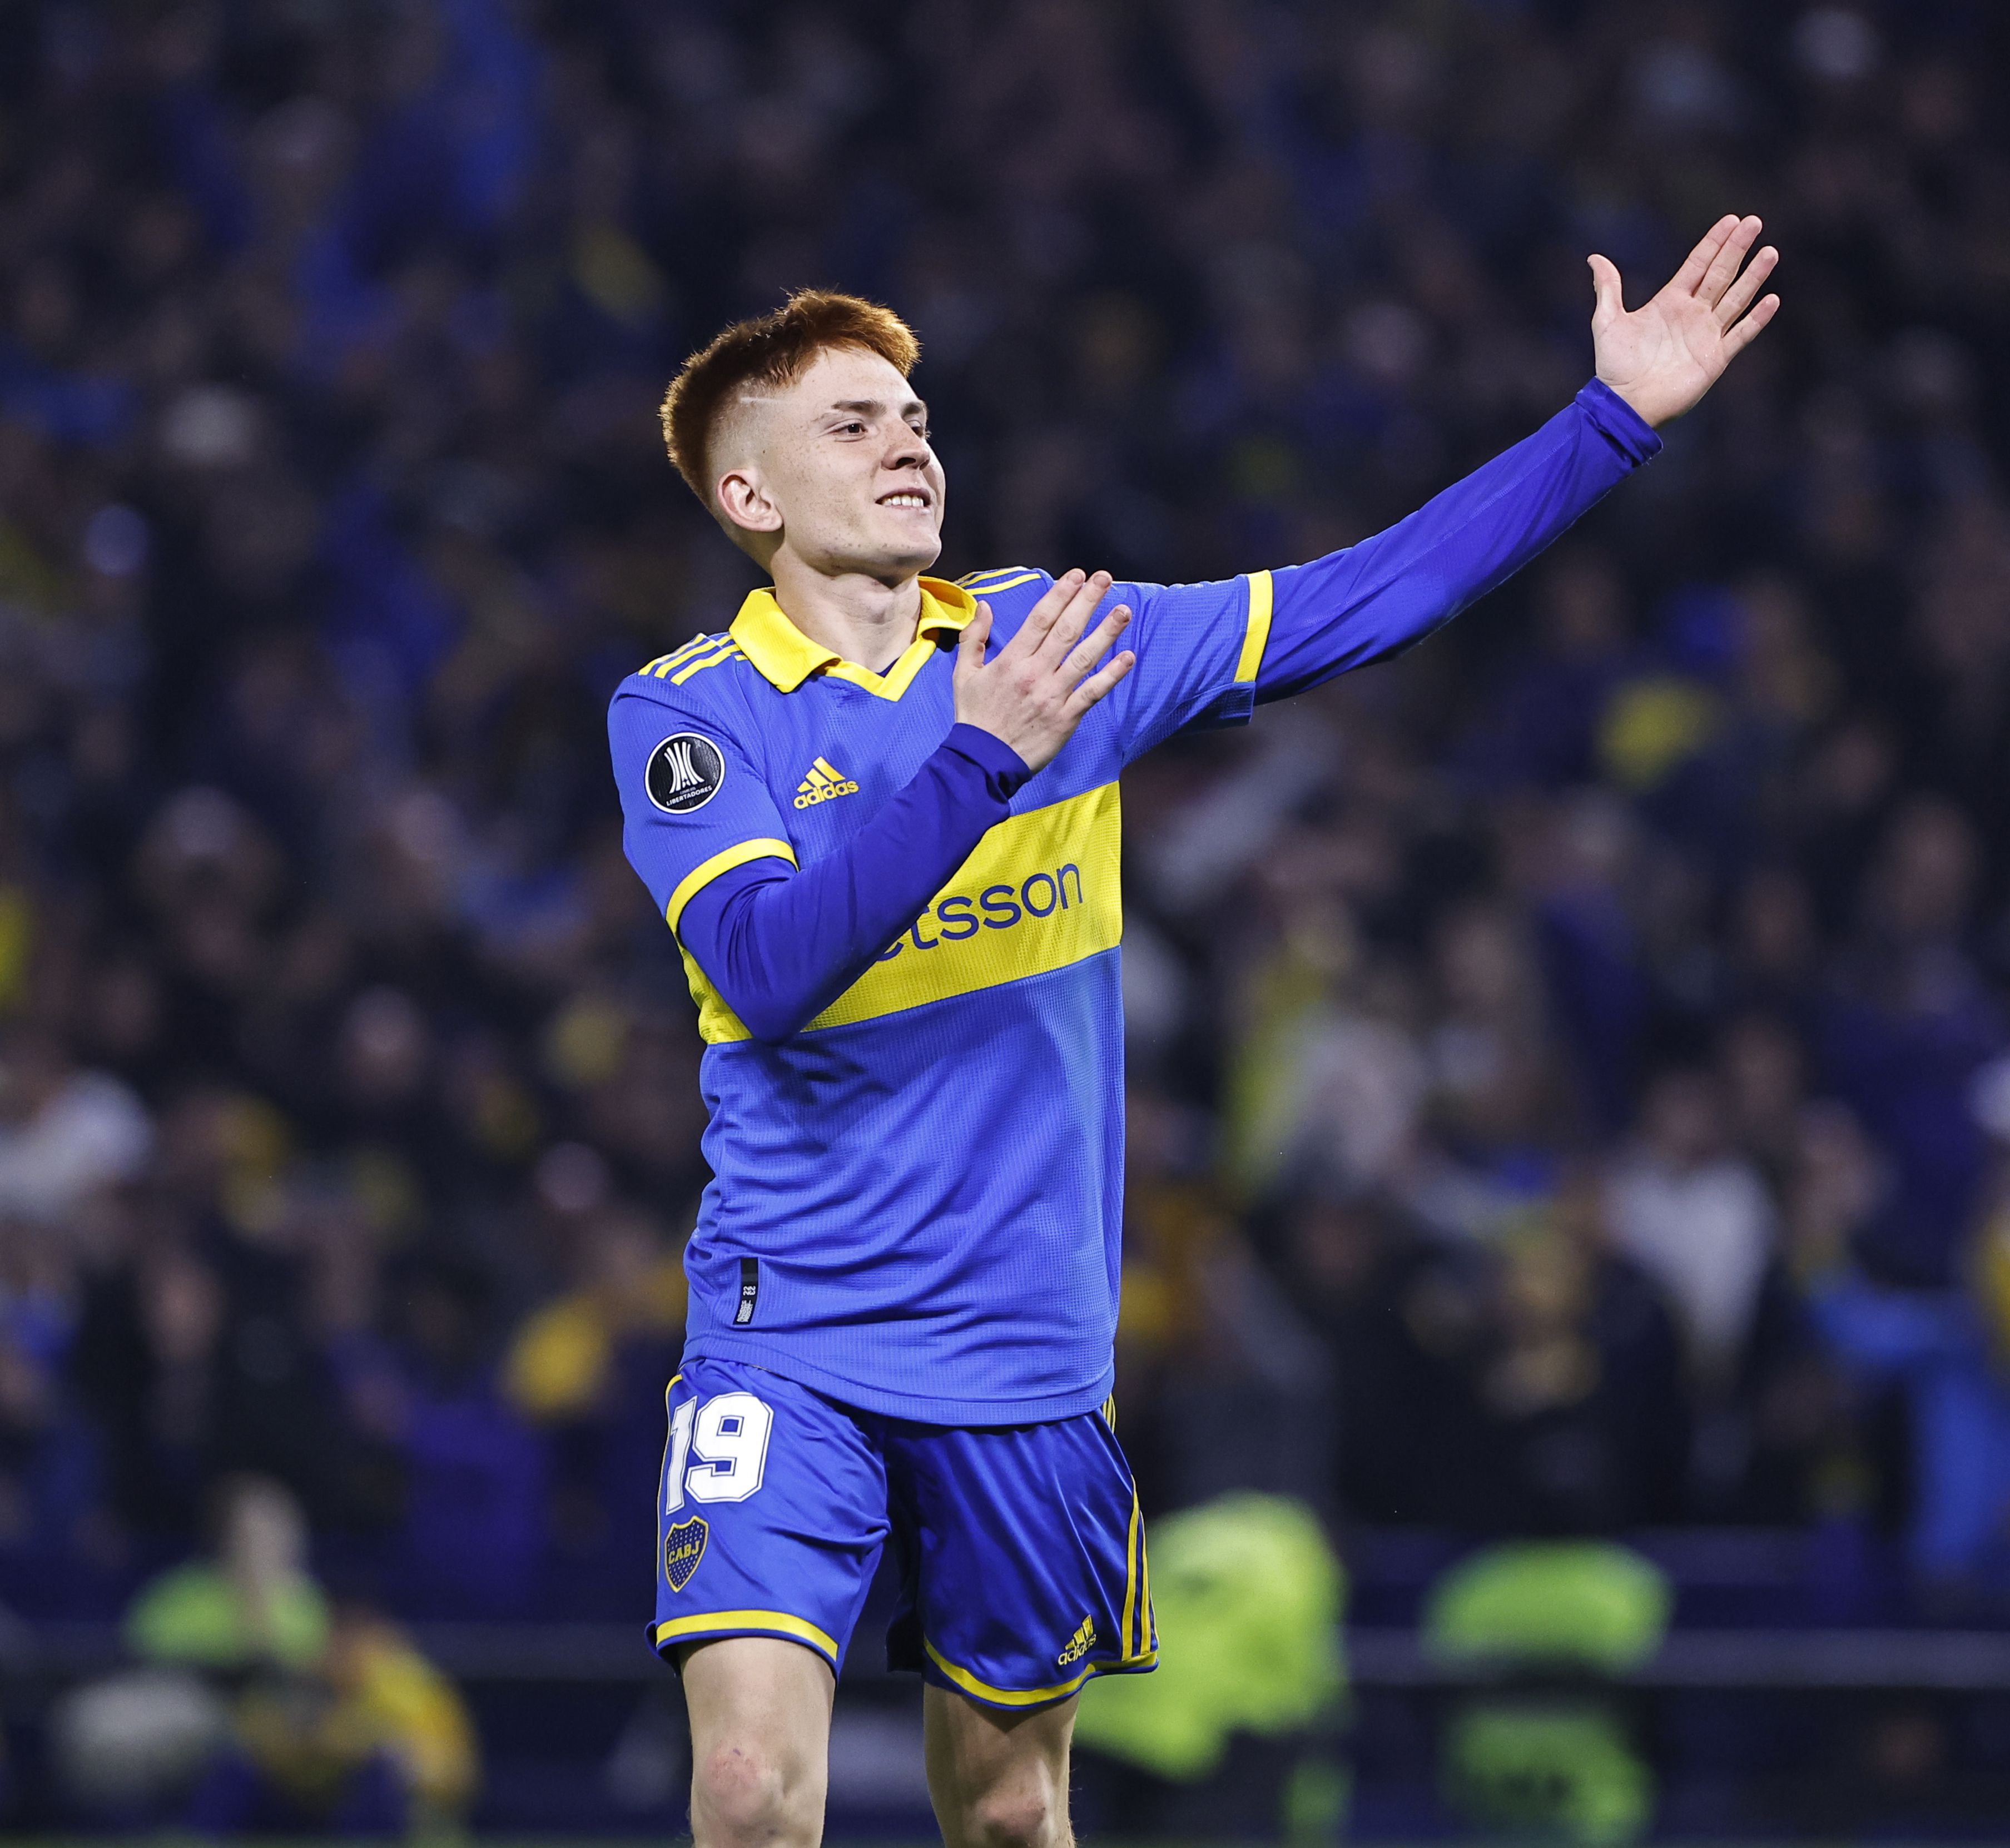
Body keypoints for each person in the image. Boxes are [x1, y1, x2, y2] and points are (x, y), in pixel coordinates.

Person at [608, 217, 1780, 1848]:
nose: (908, 443)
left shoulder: (1057, 644)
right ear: (750, 499)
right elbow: (770, 960)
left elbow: (1365, 599)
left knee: (1013, 1807)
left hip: (1023, 1349)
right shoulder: (686, 712)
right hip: (786, 1325)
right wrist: (980, 763)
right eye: (852, 423)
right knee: (747, 1792)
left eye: (917, 416)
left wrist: (1611, 422)